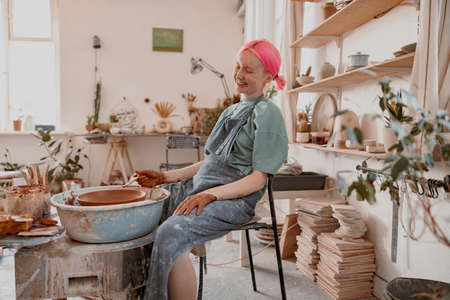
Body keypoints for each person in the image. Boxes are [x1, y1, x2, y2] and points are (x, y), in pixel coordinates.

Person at [137, 38, 288, 300]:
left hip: (235, 200)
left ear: (268, 76)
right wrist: (164, 177)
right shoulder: (230, 111)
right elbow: (210, 162)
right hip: (201, 189)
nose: (239, 75)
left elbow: (257, 180)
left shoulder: (268, 114)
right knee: (145, 217)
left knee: (171, 232)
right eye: (238, 66)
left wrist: (212, 195)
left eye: (249, 70)